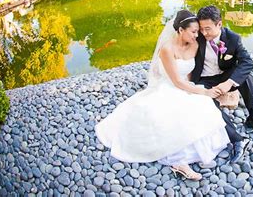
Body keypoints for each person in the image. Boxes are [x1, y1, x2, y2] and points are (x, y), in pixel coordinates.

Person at [95, 10, 230, 181]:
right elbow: (176, 81)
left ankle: (193, 151)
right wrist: (203, 91)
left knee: (202, 106)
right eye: (194, 31)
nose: (198, 35)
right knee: (173, 114)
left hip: (185, 85)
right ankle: (179, 161)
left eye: (198, 31)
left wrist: (201, 88)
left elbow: (190, 75)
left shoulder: (195, 45)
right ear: (181, 30)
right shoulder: (167, 50)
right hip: (169, 86)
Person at [191, 5, 253, 164]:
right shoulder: (197, 37)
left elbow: (247, 62)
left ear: (219, 24)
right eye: (201, 28)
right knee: (206, 103)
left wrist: (229, 83)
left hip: (224, 76)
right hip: (204, 80)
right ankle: (237, 139)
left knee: (246, 75)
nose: (204, 33)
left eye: (208, 28)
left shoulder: (233, 38)